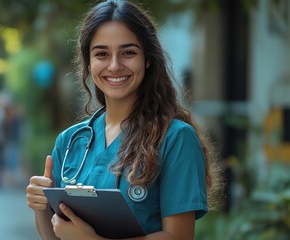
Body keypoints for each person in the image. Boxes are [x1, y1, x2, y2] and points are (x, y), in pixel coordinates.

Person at [26, 0, 223, 239]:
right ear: (88, 62)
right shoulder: (70, 141)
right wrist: (41, 207)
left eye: (128, 52)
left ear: (148, 59)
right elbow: (54, 236)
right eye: (102, 54)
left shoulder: (175, 138)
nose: (115, 65)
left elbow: (178, 236)